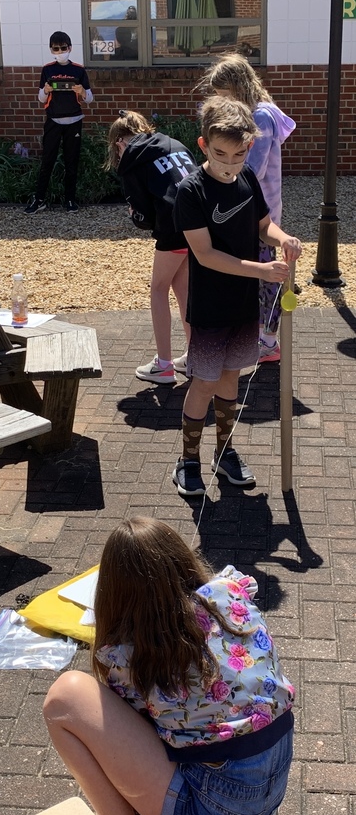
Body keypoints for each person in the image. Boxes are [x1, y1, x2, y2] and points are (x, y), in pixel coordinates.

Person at [42, 516, 294, 815]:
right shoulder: (229, 593)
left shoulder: (126, 659)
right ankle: (254, 813)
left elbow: (119, 725)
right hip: (272, 781)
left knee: (67, 697)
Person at [171, 96, 302, 497]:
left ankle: (223, 452)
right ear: (203, 145)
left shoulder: (247, 180)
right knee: (204, 382)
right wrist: (260, 270)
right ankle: (187, 460)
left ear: (249, 148)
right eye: (221, 154)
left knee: (232, 377)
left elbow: (264, 226)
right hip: (210, 307)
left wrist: (285, 239)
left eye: (239, 154)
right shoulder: (191, 192)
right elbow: (206, 256)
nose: (230, 163)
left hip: (243, 304)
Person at [197, 53, 296, 364]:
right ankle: (260, 335)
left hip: (257, 212)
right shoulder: (258, 113)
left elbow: (252, 168)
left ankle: (268, 339)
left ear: (236, 87)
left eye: (224, 94)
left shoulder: (262, 116)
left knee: (268, 277)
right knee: (257, 276)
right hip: (251, 208)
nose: (221, 101)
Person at [106, 111, 195, 384]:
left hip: (172, 228)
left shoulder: (132, 160)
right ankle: (195, 358)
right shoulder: (174, 143)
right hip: (199, 223)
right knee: (184, 290)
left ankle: (164, 365)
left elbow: (143, 218)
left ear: (120, 141)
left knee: (158, 289)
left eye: (116, 147)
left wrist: (134, 214)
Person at [24, 31, 94, 215]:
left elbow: (90, 99)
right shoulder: (47, 69)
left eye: (64, 48)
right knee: (47, 161)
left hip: (74, 121)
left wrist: (81, 91)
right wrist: (46, 90)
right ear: (51, 50)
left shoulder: (79, 70)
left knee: (72, 162)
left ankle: (70, 199)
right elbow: (41, 99)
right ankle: (39, 199)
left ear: (70, 48)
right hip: (53, 121)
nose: (61, 51)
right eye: (56, 48)